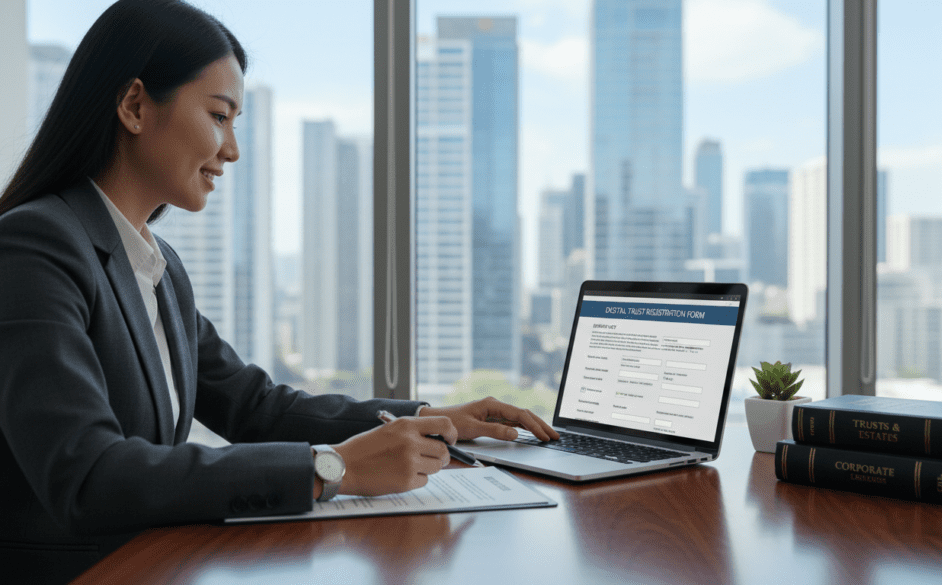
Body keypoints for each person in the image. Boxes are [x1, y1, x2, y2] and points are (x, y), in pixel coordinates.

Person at [0, 1, 557, 582]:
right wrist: (333, 467)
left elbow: (256, 409)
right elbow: (89, 476)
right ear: (135, 106)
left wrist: (427, 418)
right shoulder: (34, 247)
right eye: (219, 116)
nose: (232, 150)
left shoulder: (157, 266)